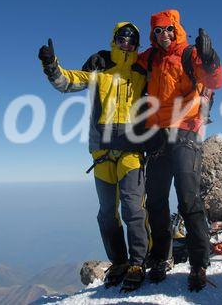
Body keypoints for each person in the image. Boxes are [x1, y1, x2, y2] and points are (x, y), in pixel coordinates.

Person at [38, 23, 150, 292]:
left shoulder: (143, 70)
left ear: (137, 44)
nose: (127, 43)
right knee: (106, 215)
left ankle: (138, 262)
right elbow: (68, 82)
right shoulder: (99, 63)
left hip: (132, 149)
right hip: (101, 150)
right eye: (122, 38)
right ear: (114, 39)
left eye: (132, 40)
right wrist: (51, 65)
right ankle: (120, 263)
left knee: (133, 209)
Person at [137, 9, 222, 292]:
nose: (164, 35)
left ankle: (199, 264)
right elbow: (126, 64)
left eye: (169, 29)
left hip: (186, 130)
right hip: (158, 136)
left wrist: (211, 60)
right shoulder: (148, 58)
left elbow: (215, 81)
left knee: (188, 199)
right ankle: (161, 258)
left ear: (177, 29)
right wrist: (103, 58)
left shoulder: (190, 54)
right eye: (159, 31)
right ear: (153, 34)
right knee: (156, 201)